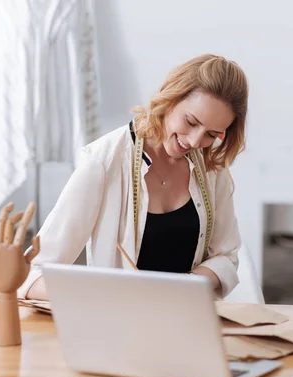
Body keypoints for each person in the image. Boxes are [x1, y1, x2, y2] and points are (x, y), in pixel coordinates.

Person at [16, 53, 249, 301]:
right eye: (190, 122)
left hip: (189, 317)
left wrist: (184, 287)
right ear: (170, 97)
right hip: (119, 324)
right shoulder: (103, 163)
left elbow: (226, 255)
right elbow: (33, 272)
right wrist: (102, 293)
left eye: (211, 134)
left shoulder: (211, 166)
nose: (195, 141)